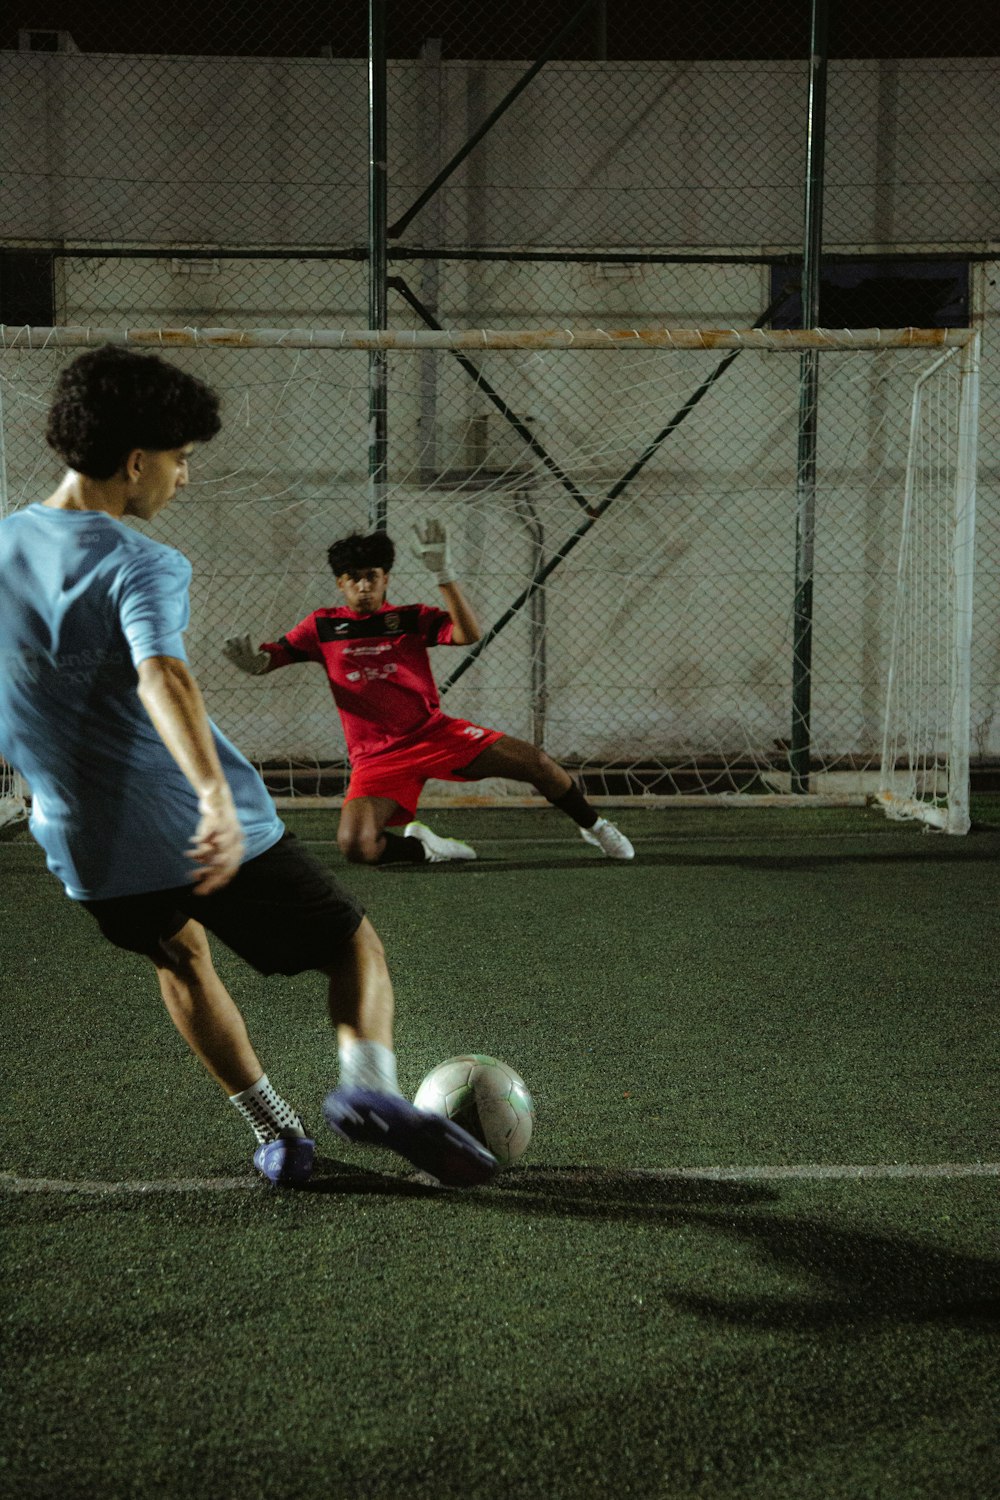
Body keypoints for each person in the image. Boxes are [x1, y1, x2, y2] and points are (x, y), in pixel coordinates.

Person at [0, 344, 496, 1191]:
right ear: (134, 462)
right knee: (350, 944)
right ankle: (369, 1093)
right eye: (181, 460)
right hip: (195, 820)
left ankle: (277, 1135)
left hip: (86, 844)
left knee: (178, 958)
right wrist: (211, 800)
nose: (183, 479)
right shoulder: (141, 561)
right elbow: (163, 674)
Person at [222, 524, 635, 866]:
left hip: (434, 735)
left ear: (385, 578)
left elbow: (467, 634)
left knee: (537, 763)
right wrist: (257, 664)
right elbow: (273, 657)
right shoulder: (322, 626)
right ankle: (427, 847)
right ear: (341, 584)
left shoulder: (409, 618)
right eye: (354, 579)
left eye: (372, 576)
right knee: (356, 847)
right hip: (376, 758)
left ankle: (595, 827)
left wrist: (444, 574)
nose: (364, 586)